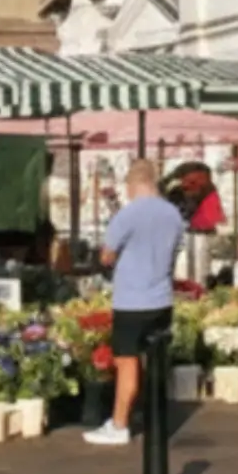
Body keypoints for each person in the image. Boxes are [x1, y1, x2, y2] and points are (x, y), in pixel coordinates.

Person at [85, 157, 184, 448]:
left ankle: (119, 424)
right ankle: (153, 418)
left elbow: (107, 255)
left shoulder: (127, 216)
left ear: (133, 183)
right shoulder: (173, 215)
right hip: (162, 299)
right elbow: (175, 252)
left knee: (127, 364)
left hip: (131, 300)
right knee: (155, 362)